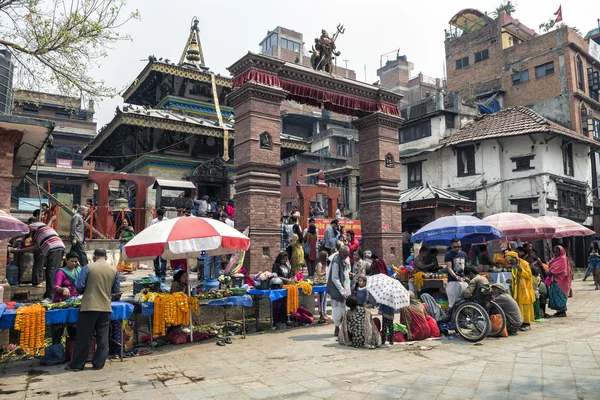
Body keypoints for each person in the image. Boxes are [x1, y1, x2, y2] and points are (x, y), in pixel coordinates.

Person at [66, 249, 119, 371]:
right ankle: (99, 363)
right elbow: (115, 290)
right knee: (103, 337)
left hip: (89, 307)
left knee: (84, 337)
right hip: (106, 308)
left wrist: (85, 290)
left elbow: (79, 285)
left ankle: (78, 365)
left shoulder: (88, 268)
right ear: (106, 257)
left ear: (94, 257)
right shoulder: (114, 270)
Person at [12, 219, 65, 301]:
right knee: (49, 271)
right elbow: (35, 247)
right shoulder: (40, 234)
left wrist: (13, 238)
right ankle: (48, 294)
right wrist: (18, 251)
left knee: (51, 272)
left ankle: (51, 296)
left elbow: (23, 229)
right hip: (55, 248)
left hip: (55, 247)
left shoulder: (35, 225)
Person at [51, 252, 81, 344]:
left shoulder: (79, 271)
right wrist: (63, 289)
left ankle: (72, 352)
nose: (74, 263)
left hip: (74, 304)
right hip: (61, 304)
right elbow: (56, 287)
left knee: (74, 331)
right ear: (66, 261)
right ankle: (56, 350)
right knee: (58, 330)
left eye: (76, 261)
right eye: (71, 261)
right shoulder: (61, 272)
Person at [505, 250, 535, 330]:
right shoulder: (514, 265)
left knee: (525, 306)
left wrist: (521, 269)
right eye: (508, 261)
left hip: (525, 289)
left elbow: (529, 275)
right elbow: (515, 276)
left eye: (511, 260)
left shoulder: (525, 264)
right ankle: (520, 322)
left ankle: (526, 323)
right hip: (517, 289)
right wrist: (511, 281)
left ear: (515, 258)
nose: (509, 262)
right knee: (518, 305)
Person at [326, 245, 351, 337]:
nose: (346, 257)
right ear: (340, 253)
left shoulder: (345, 259)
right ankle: (337, 328)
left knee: (345, 309)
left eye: (347, 255)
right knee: (337, 309)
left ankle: (344, 329)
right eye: (344, 255)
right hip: (337, 290)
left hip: (346, 287)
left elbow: (346, 271)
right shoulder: (336, 261)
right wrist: (342, 291)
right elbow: (335, 278)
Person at [547, 245, 572, 317]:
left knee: (560, 295)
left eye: (556, 252)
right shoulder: (555, 259)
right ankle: (558, 311)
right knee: (555, 295)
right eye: (554, 252)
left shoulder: (563, 259)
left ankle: (562, 311)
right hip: (555, 280)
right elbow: (551, 265)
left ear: (560, 252)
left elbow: (562, 270)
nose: (555, 253)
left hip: (561, 281)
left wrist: (552, 272)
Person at [444, 238, 469, 308]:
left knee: (465, 302)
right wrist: (455, 276)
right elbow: (449, 268)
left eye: (459, 246)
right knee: (452, 304)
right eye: (455, 247)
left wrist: (468, 275)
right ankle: (452, 318)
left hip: (463, 281)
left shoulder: (464, 254)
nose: (457, 248)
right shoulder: (448, 254)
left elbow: (467, 267)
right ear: (451, 246)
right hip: (453, 282)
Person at [272, 252, 294, 326]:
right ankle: (277, 321)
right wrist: (285, 279)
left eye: (286, 259)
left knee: (285, 304)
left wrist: (290, 279)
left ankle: (284, 319)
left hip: (287, 287)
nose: (285, 261)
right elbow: (275, 275)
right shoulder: (276, 265)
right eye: (284, 259)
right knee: (278, 304)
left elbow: (289, 274)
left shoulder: (286, 266)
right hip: (278, 287)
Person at [150, 209, 168, 281]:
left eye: (162, 216)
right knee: (156, 259)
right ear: (157, 215)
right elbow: (151, 231)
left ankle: (163, 274)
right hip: (155, 241)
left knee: (163, 259)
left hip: (163, 241)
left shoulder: (166, 220)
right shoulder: (153, 222)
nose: (160, 217)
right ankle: (157, 274)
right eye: (159, 216)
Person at [316, 251, 330, 323]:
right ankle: (321, 314)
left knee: (325, 300)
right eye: (326, 256)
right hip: (320, 284)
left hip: (326, 283)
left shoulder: (326, 264)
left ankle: (324, 313)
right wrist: (326, 273)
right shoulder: (320, 264)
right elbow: (318, 273)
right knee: (321, 300)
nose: (327, 257)